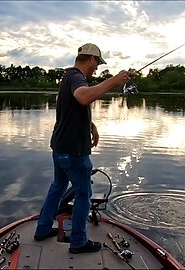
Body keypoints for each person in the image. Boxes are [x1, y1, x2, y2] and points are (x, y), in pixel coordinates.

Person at [34, 43, 136, 254]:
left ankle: (43, 229)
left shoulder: (68, 77)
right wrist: (115, 80)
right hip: (73, 151)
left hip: (60, 147)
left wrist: (91, 125)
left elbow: (72, 108)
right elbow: (83, 97)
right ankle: (79, 241)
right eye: (97, 63)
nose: (97, 67)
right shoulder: (77, 78)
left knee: (58, 187)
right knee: (83, 194)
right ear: (92, 59)